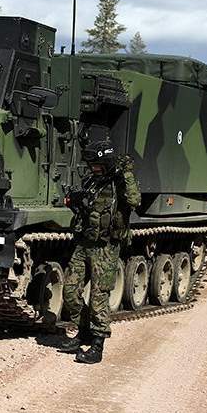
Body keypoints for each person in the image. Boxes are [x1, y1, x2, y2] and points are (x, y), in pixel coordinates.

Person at [59, 139, 141, 364]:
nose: (93, 169)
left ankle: (97, 344)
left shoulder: (119, 183)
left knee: (99, 296)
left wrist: (127, 173)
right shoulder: (92, 181)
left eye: (97, 165)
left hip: (105, 247)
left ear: (106, 163)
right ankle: (83, 331)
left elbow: (134, 200)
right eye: (92, 165)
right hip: (84, 243)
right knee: (70, 291)